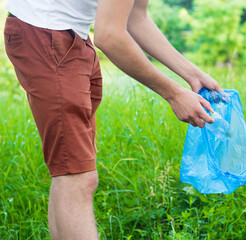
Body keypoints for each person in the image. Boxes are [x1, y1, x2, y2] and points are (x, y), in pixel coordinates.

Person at [4, 0, 224, 239]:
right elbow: (109, 36)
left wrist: (193, 74)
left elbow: (135, 18)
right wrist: (173, 93)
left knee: (71, 172)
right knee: (77, 178)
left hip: (70, 35)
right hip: (47, 33)